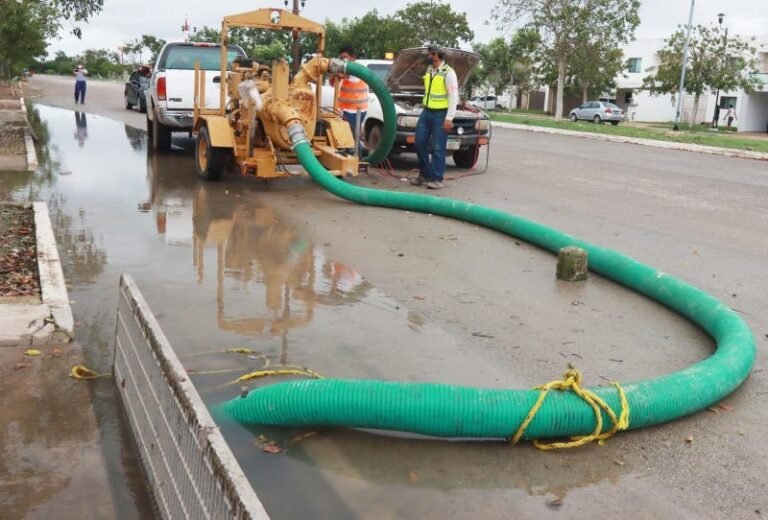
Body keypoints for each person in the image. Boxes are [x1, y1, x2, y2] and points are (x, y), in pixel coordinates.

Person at [411, 45, 458, 190]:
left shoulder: (448, 73)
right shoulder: (429, 69)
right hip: (427, 111)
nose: (429, 56)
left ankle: (437, 178)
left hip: (440, 114)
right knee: (419, 143)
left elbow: (453, 96)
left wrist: (449, 118)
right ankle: (425, 174)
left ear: (438, 55)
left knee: (438, 147)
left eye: (431, 54)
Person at [330, 45, 368, 155]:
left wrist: (334, 70)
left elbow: (342, 75)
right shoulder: (346, 68)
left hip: (356, 110)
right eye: (341, 58)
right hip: (347, 109)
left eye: (345, 57)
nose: (343, 60)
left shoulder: (356, 69)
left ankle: (357, 158)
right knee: (348, 135)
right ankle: (351, 156)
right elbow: (332, 82)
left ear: (353, 57)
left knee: (352, 137)